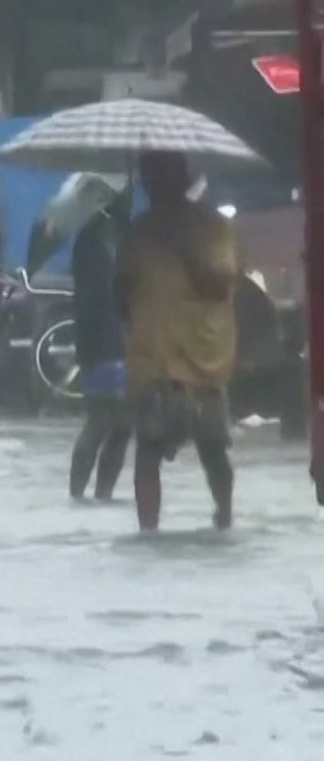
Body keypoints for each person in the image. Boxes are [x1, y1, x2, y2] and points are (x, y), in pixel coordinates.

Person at [115, 151, 238, 532]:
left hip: (203, 361)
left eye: (161, 175)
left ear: (181, 179)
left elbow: (221, 283)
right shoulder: (139, 231)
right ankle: (148, 532)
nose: (154, 184)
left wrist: (183, 244)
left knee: (214, 453)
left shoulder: (213, 227)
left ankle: (224, 517)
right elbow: (121, 293)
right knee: (147, 452)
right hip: (154, 360)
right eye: (149, 176)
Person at [68, 191, 132, 500]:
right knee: (104, 419)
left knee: (120, 424)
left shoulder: (113, 237)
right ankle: (81, 493)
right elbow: (99, 295)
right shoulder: (95, 242)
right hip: (102, 341)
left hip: (114, 341)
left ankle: (97, 494)